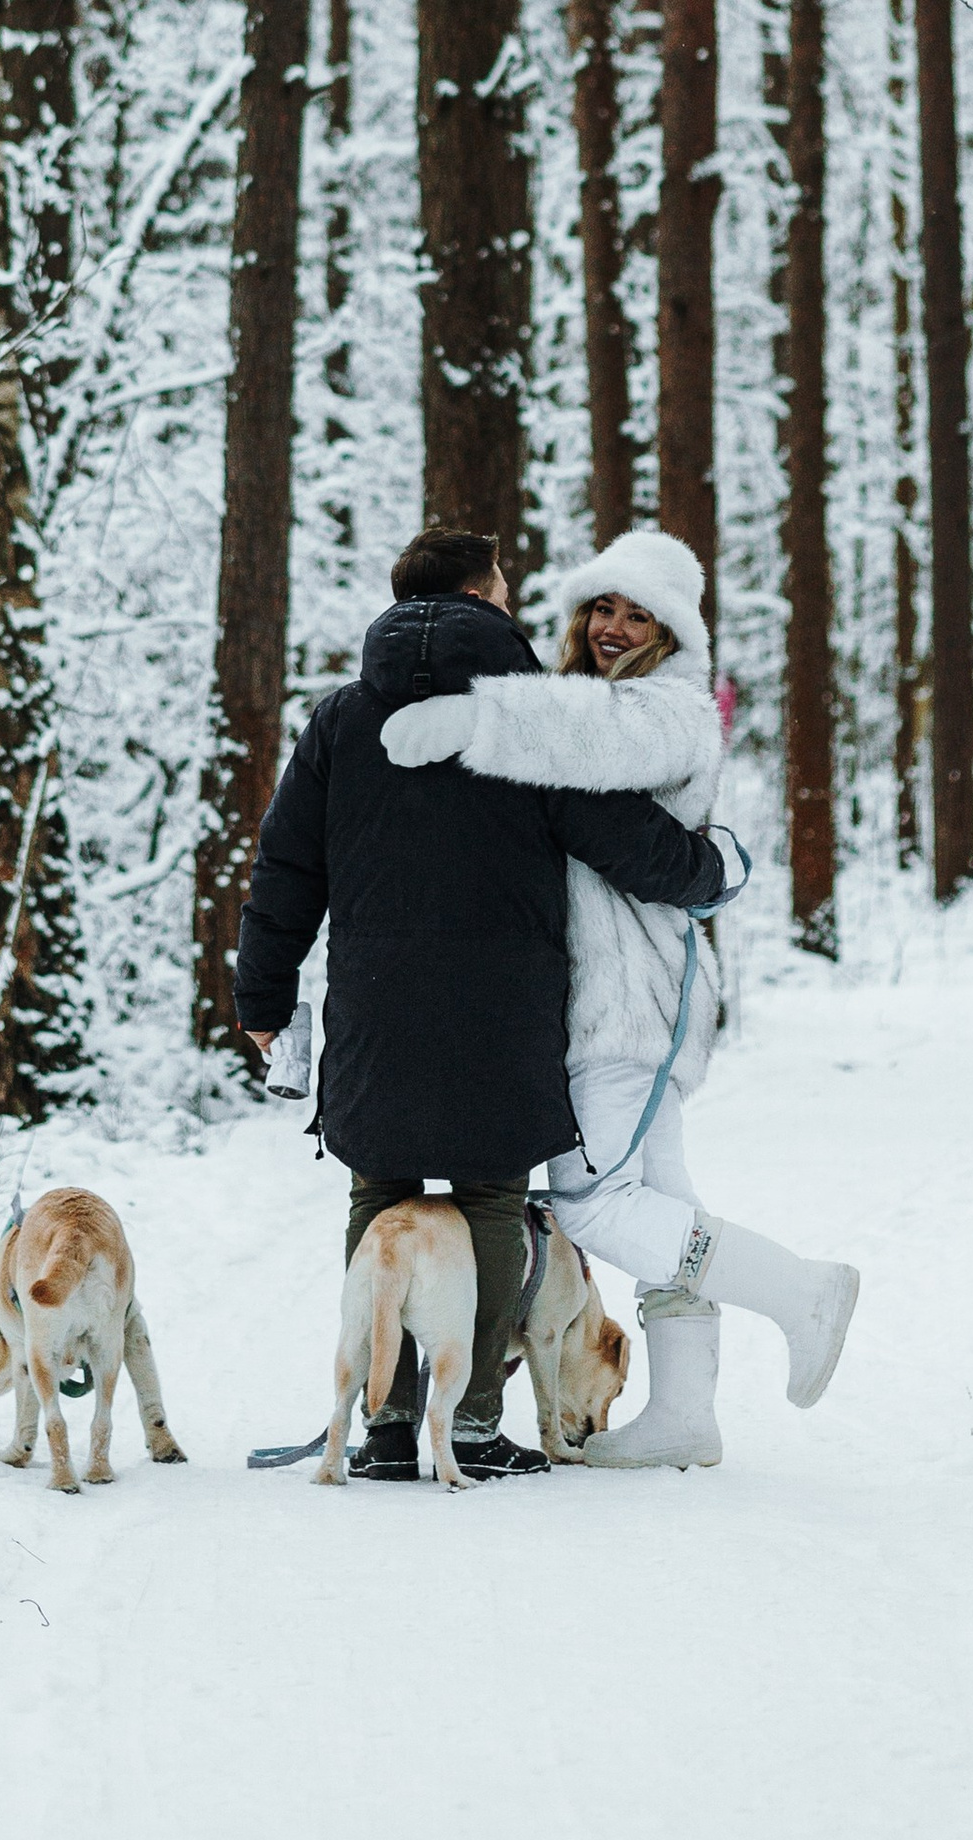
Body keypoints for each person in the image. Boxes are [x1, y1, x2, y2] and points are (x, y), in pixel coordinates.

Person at [234, 524, 728, 1480]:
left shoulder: (341, 719)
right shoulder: (525, 721)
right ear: (484, 599)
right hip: (505, 1007)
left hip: (374, 1004)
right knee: (493, 1198)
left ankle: (383, 1425)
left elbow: (286, 866)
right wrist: (713, 870)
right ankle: (469, 1425)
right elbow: (618, 836)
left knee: (378, 1194)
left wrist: (265, 993)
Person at [380, 528, 859, 1470]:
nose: (614, 626)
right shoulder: (595, 701)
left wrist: (478, 723)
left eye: (640, 613)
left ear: (674, 633)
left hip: (628, 1004)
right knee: (664, 1203)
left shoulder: (664, 708)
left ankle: (804, 1292)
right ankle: (685, 1414)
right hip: (607, 1001)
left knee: (596, 1205)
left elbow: (590, 740)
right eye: (602, 606)